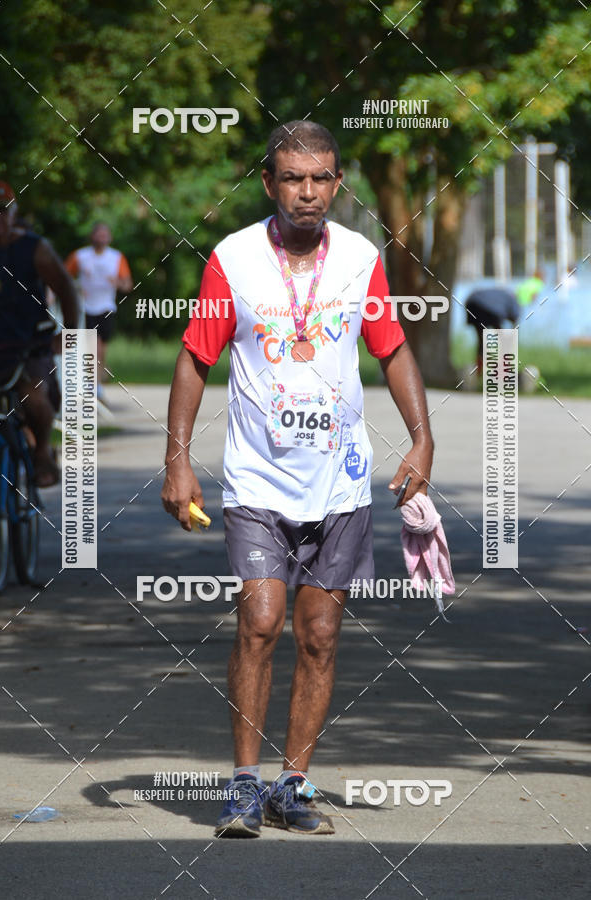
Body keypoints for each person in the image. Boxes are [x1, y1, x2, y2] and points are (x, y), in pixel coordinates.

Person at [161, 121, 434, 838]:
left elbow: (393, 348)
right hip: (256, 480)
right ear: (268, 183)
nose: (306, 192)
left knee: (319, 636)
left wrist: (422, 439)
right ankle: (245, 786)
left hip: (340, 482)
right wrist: (177, 457)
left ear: (337, 185)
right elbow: (196, 358)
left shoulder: (361, 259)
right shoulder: (234, 258)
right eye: (291, 178)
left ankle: (294, 785)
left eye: (319, 179)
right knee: (261, 621)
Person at [0, 180, 79, 487]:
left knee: (34, 398)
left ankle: (42, 450)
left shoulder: (34, 248)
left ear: (14, 214)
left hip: (31, 347)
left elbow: (67, 290)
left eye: (2, 212)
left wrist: (68, 334)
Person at [65, 223, 132, 399]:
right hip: (85, 307)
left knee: (101, 347)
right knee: (91, 345)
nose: (102, 238)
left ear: (109, 238)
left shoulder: (116, 257)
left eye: (105, 235)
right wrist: (76, 287)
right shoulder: (80, 256)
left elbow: (127, 285)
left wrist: (117, 283)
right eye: (99, 234)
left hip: (106, 306)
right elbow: (63, 277)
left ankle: (96, 384)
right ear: (92, 236)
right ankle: (91, 383)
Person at [464, 284, 520, 375]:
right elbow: (515, 324)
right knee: (502, 339)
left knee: (481, 340)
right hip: (491, 308)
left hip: (472, 302)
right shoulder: (513, 300)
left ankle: (477, 373)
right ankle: (503, 370)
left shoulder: (503, 295)